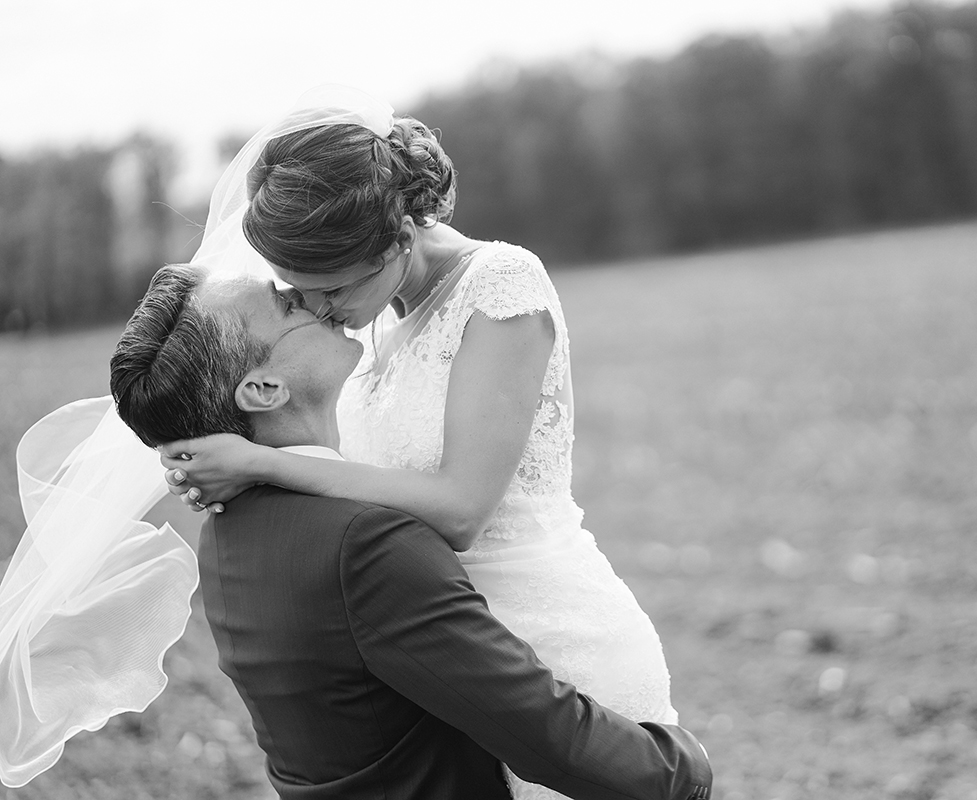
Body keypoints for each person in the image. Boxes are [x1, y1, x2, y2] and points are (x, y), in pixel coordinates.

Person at [162, 86, 677, 800]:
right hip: (450, 668)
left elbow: (461, 509)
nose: (318, 312)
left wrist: (259, 461)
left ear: (400, 240)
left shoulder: (501, 288)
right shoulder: (370, 317)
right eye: (299, 292)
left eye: (332, 290)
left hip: (554, 650)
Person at [110, 263, 712, 800]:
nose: (309, 295)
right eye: (286, 304)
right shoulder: (365, 543)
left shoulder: (225, 528)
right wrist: (681, 770)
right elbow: (539, 730)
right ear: (264, 389)